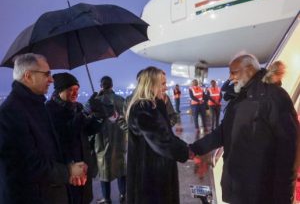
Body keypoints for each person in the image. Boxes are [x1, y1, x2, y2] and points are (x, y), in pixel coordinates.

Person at [189, 53, 300, 203]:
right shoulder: (240, 98)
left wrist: (284, 195)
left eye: (233, 72)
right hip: (239, 190)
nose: (230, 77)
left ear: (249, 69)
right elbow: (222, 132)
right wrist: (194, 149)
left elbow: (290, 148)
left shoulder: (273, 97)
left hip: (261, 192)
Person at [0, 53, 87, 204]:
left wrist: (69, 165)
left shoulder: (37, 106)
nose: (51, 80)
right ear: (28, 76)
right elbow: (28, 165)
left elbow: (51, 148)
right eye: (46, 74)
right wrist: (68, 171)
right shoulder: (10, 113)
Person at [125, 66, 190, 204]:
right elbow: (162, 141)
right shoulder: (143, 109)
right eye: (163, 84)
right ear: (151, 84)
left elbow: (167, 135)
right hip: (150, 181)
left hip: (158, 176)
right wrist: (187, 151)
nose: (166, 88)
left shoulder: (155, 105)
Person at [46, 72, 104, 204]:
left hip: (83, 162)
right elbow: (66, 132)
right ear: (59, 91)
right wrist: (84, 114)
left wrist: (99, 118)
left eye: (76, 89)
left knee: (84, 198)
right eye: (70, 90)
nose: (75, 93)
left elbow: (87, 130)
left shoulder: (77, 107)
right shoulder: (50, 109)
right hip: (67, 166)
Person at [91, 76, 127, 204]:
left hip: (102, 140)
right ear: (112, 85)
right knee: (121, 167)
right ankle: (123, 194)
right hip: (120, 138)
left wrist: (95, 97)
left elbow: (88, 116)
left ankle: (107, 198)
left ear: (101, 86)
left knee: (104, 168)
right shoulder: (120, 100)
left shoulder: (97, 101)